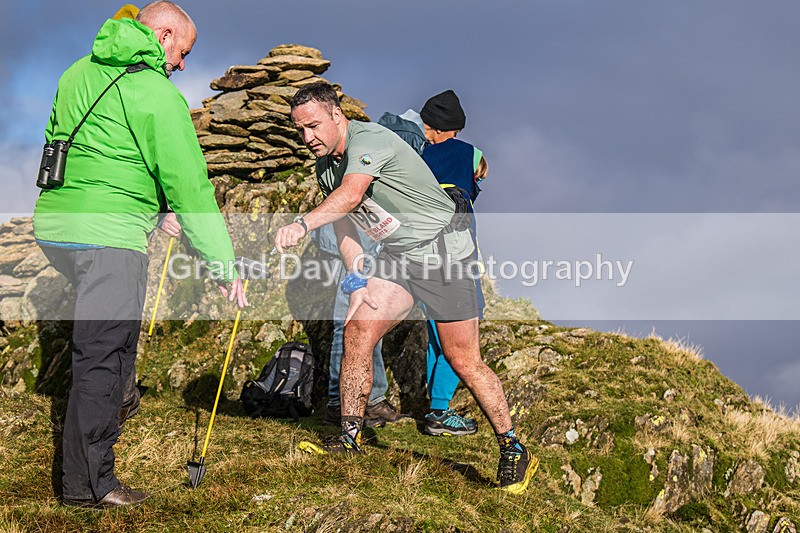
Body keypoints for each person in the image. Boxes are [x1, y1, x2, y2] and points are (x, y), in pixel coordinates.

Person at [274, 82, 537, 494]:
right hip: (399, 256)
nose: (307, 138)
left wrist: (302, 223)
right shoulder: (326, 164)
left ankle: (513, 447)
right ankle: (349, 436)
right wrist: (357, 275)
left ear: (336, 116)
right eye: (300, 130)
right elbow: (347, 221)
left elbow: (351, 195)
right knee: (358, 330)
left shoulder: (370, 139)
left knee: (462, 358)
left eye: (313, 127)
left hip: (444, 253)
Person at [33, 1, 246, 508]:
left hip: (58, 229)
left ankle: (108, 415)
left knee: (107, 348)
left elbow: (74, 148)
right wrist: (223, 264)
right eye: (184, 51)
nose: (183, 64)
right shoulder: (157, 94)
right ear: (164, 34)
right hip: (109, 238)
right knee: (103, 360)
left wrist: (152, 214)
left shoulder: (76, 72)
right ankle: (88, 488)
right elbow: (190, 188)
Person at [417, 90, 489, 437]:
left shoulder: (418, 156)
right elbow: (482, 174)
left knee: (436, 332)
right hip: (458, 254)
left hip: (423, 254)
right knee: (460, 331)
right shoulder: (472, 153)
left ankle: (435, 405)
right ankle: (439, 411)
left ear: (432, 127)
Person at [311, 223, 411, 427]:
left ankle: (372, 400)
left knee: (368, 325)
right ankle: (338, 404)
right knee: (349, 324)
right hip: (353, 248)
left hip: (372, 247)